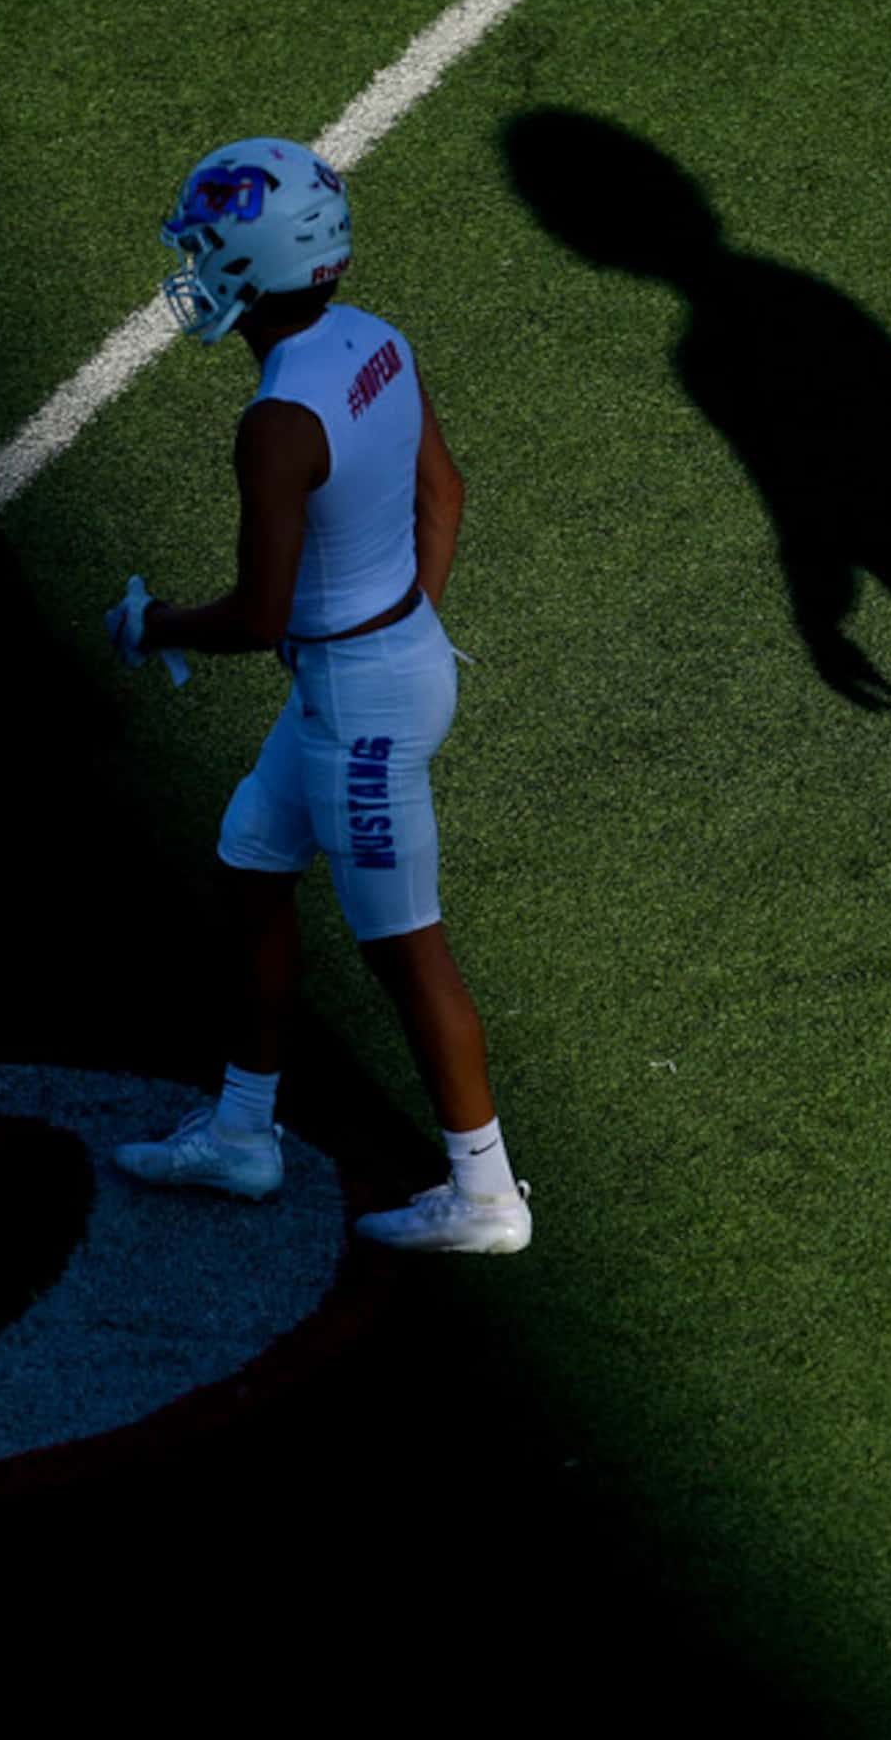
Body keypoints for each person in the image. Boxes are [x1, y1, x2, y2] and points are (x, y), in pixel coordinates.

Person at [107, 137, 531, 1251]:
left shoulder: (278, 421)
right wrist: (403, 623)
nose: (193, 263)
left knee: (406, 950)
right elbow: (446, 493)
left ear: (255, 255)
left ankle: (486, 1195)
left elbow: (255, 615)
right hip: (385, 668)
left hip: (361, 709)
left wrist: (154, 625)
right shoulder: (375, 340)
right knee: (250, 867)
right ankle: (245, 1134)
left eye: (204, 242)